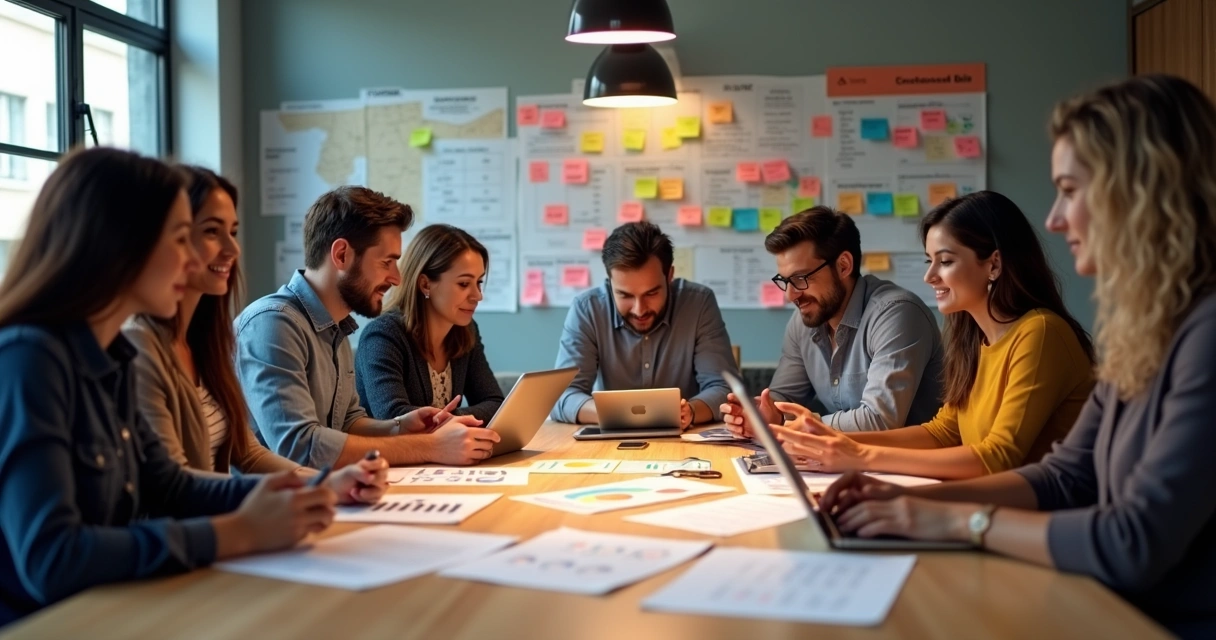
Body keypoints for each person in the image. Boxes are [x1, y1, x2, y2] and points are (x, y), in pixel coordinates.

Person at [817, 75, 1216, 638]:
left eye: (1071, 190)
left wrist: (949, 516)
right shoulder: (1147, 330)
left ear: (1142, 194)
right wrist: (896, 495)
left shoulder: (1205, 336)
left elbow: (1133, 541)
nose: (1054, 219)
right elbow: (1062, 477)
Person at [0, 148, 372, 627]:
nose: (197, 257)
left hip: (122, 606)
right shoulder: (29, 357)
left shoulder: (112, 356)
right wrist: (235, 533)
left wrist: (295, 495)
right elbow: (53, 558)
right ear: (118, 243)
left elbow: (169, 485)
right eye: (183, 238)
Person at [772, 191, 1095, 479]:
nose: (929, 276)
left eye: (946, 261)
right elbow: (943, 432)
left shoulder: (1039, 332)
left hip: (1044, 518)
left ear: (994, 264)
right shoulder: (975, 339)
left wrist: (857, 455)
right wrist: (828, 441)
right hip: (990, 503)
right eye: (930, 261)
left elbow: (997, 458)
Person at [124, 166, 388, 502]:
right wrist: (311, 489)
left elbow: (246, 454)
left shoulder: (207, 341)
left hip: (222, 525)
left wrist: (326, 484)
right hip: (195, 539)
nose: (232, 249)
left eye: (232, 232)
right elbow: (173, 487)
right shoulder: (140, 346)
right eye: (210, 232)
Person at [236, 187, 494, 468]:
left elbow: (347, 422)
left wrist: (399, 426)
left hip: (323, 493)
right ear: (342, 255)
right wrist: (429, 446)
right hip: (271, 505)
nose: (396, 278)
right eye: (387, 262)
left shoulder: (336, 327)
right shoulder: (273, 324)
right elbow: (299, 447)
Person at [721, 207, 944, 434]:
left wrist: (804, 425)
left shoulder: (897, 313)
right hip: (844, 462)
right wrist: (765, 415)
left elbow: (879, 420)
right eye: (785, 280)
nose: (790, 295)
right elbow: (783, 399)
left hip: (910, 465)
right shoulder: (804, 321)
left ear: (843, 266)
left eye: (800, 278)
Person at [551, 221, 735, 429]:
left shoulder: (699, 303)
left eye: (651, 293)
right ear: (610, 281)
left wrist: (690, 412)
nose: (639, 309)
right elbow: (561, 397)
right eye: (624, 295)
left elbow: (723, 390)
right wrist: (614, 415)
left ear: (670, 276)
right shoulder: (587, 309)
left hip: (685, 442)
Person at [356, 224, 504, 423]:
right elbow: (394, 417)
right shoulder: (382, 336)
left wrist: (451, 418)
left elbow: (494, 403)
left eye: (478, 282)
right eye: (463, 284)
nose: (478, 296)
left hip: (444, 452)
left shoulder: (466, 330)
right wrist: (454, 421)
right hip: (389, 454)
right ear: (425, 284)